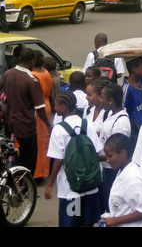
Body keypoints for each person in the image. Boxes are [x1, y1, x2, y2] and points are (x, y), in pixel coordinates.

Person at [45, 92, 103, 227]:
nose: (55, 107)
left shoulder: (59, 129)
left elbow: (58, 160)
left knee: (72, 222)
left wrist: (50, 185)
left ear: (63, 107)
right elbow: (97, 151)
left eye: (56, 105)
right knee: (87, 222)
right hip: (90, 185)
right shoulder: (87, 124)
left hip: (71, 188)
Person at [0, 48, 52, 176]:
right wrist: (48, 124)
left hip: (10, 124)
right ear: (32, 61)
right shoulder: (31, 80)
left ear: (19, 59)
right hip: (26, 126)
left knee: (14, 154)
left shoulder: (7, 74)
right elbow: (39, 107)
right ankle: (25, 186)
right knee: (29, 159)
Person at [99, 133, 142, 227]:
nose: (107, 160)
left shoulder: (132, 178)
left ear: (122, 153)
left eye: (110, 156)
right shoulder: (123, 170)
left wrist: (116, 220)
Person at [98, 83, 131, 212]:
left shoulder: (121, 123)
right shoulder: (111, 114)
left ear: (110, 101)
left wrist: (96, 158)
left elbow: (118, 152)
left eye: (102, 97)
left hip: (112, 171)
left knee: (112, 206)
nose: (100, 100)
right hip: (106, 167)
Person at [31, 50, 53, 181]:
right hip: (47, 107)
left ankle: (38, 172)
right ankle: (45, 170)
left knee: (38, 141)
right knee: (45, 141)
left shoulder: (33, 76)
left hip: (38, 109)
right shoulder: (46, 73)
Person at [83, 78, 110, 148]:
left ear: (100, 95)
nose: (86, 97)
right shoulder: (87, 110)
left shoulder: (108, 114)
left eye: (89, 95)